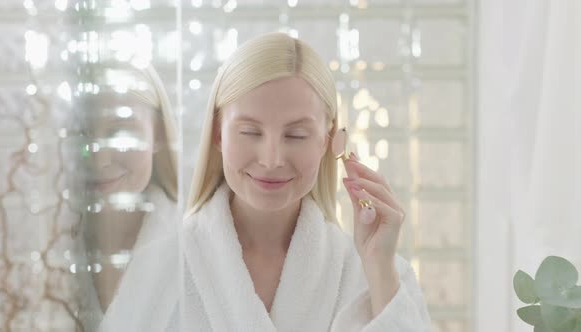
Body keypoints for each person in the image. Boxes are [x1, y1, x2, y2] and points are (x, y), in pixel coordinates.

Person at [182, 32, 431, 331]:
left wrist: (380, 269)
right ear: (217, 133)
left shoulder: (377, 277)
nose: (272, 159)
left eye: (295, 135)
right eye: (250, 132)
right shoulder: (163, 264)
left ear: (328, 142)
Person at [68, 63, 181, 331]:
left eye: (119, 133)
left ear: (159, 135)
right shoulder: (44, 245)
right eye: (80, 135)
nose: (98, 160)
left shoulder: (200, 243)